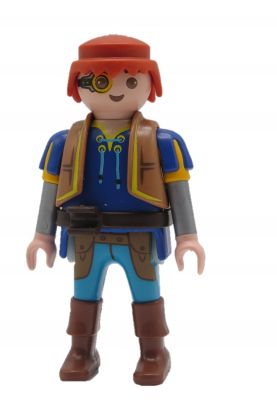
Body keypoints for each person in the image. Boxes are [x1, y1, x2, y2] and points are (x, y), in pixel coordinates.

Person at [26, 34, 205, 386]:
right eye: (100, 82)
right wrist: (42, 235)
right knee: (83, 295)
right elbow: (50, 189)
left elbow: (179, 190)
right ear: (77, 86)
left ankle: (154, 352)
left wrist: (188, 237)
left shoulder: (162, 142)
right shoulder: (64, 142)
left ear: (150, 85)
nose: (116, 92)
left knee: (146, 294)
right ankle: (81, 351)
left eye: (131, 81)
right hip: (86, 234)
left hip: (140, 234)